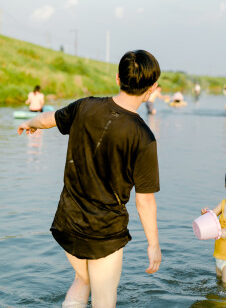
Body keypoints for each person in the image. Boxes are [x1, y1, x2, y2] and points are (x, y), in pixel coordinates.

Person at [18, 50, 162, 308]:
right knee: (104, 301)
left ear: (118, 78)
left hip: (67, 221)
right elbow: (145, 202)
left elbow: (47, 119)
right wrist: (153, 245)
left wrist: (30, 122)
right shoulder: (143, 137)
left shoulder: (85, 106)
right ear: (152, 88)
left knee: (82, 279)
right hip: (104, 232)